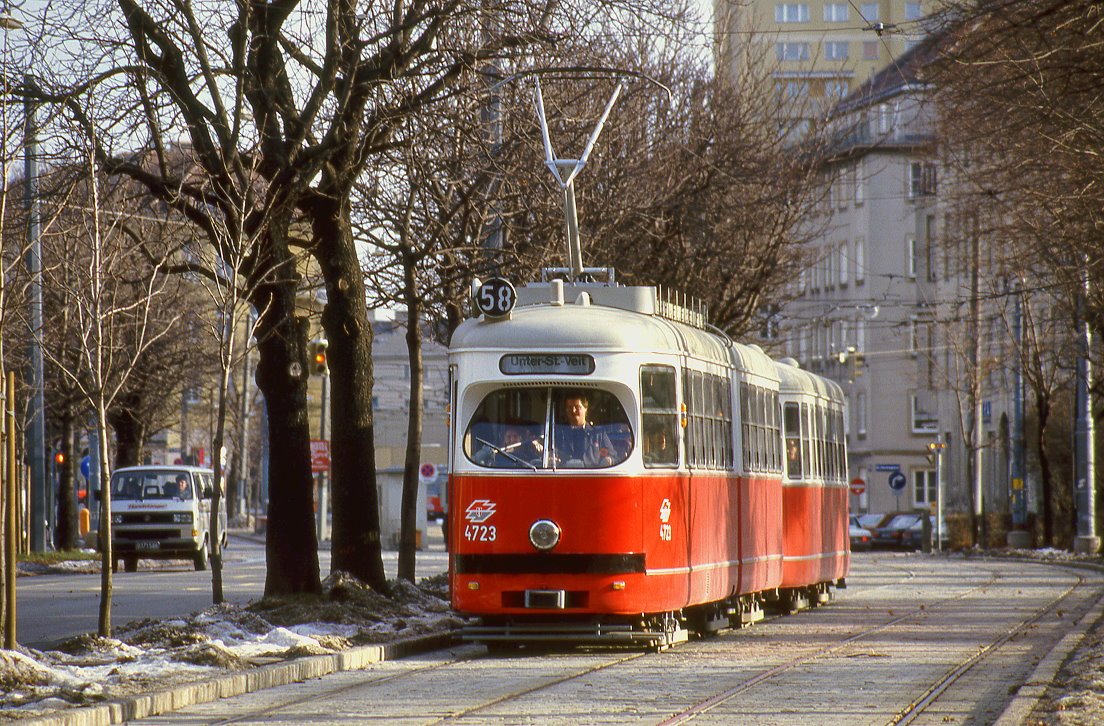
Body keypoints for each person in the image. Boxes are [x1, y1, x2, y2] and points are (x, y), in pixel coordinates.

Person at [554, 392, 614, 467]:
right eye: (569, 407)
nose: (573, 411)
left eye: (577, 407)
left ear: (585, 408)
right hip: (564, 476)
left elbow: (614, 457)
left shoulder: (598, 433)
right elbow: (550, 454)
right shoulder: (558, 433)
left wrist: (609, 460)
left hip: (591, 476)